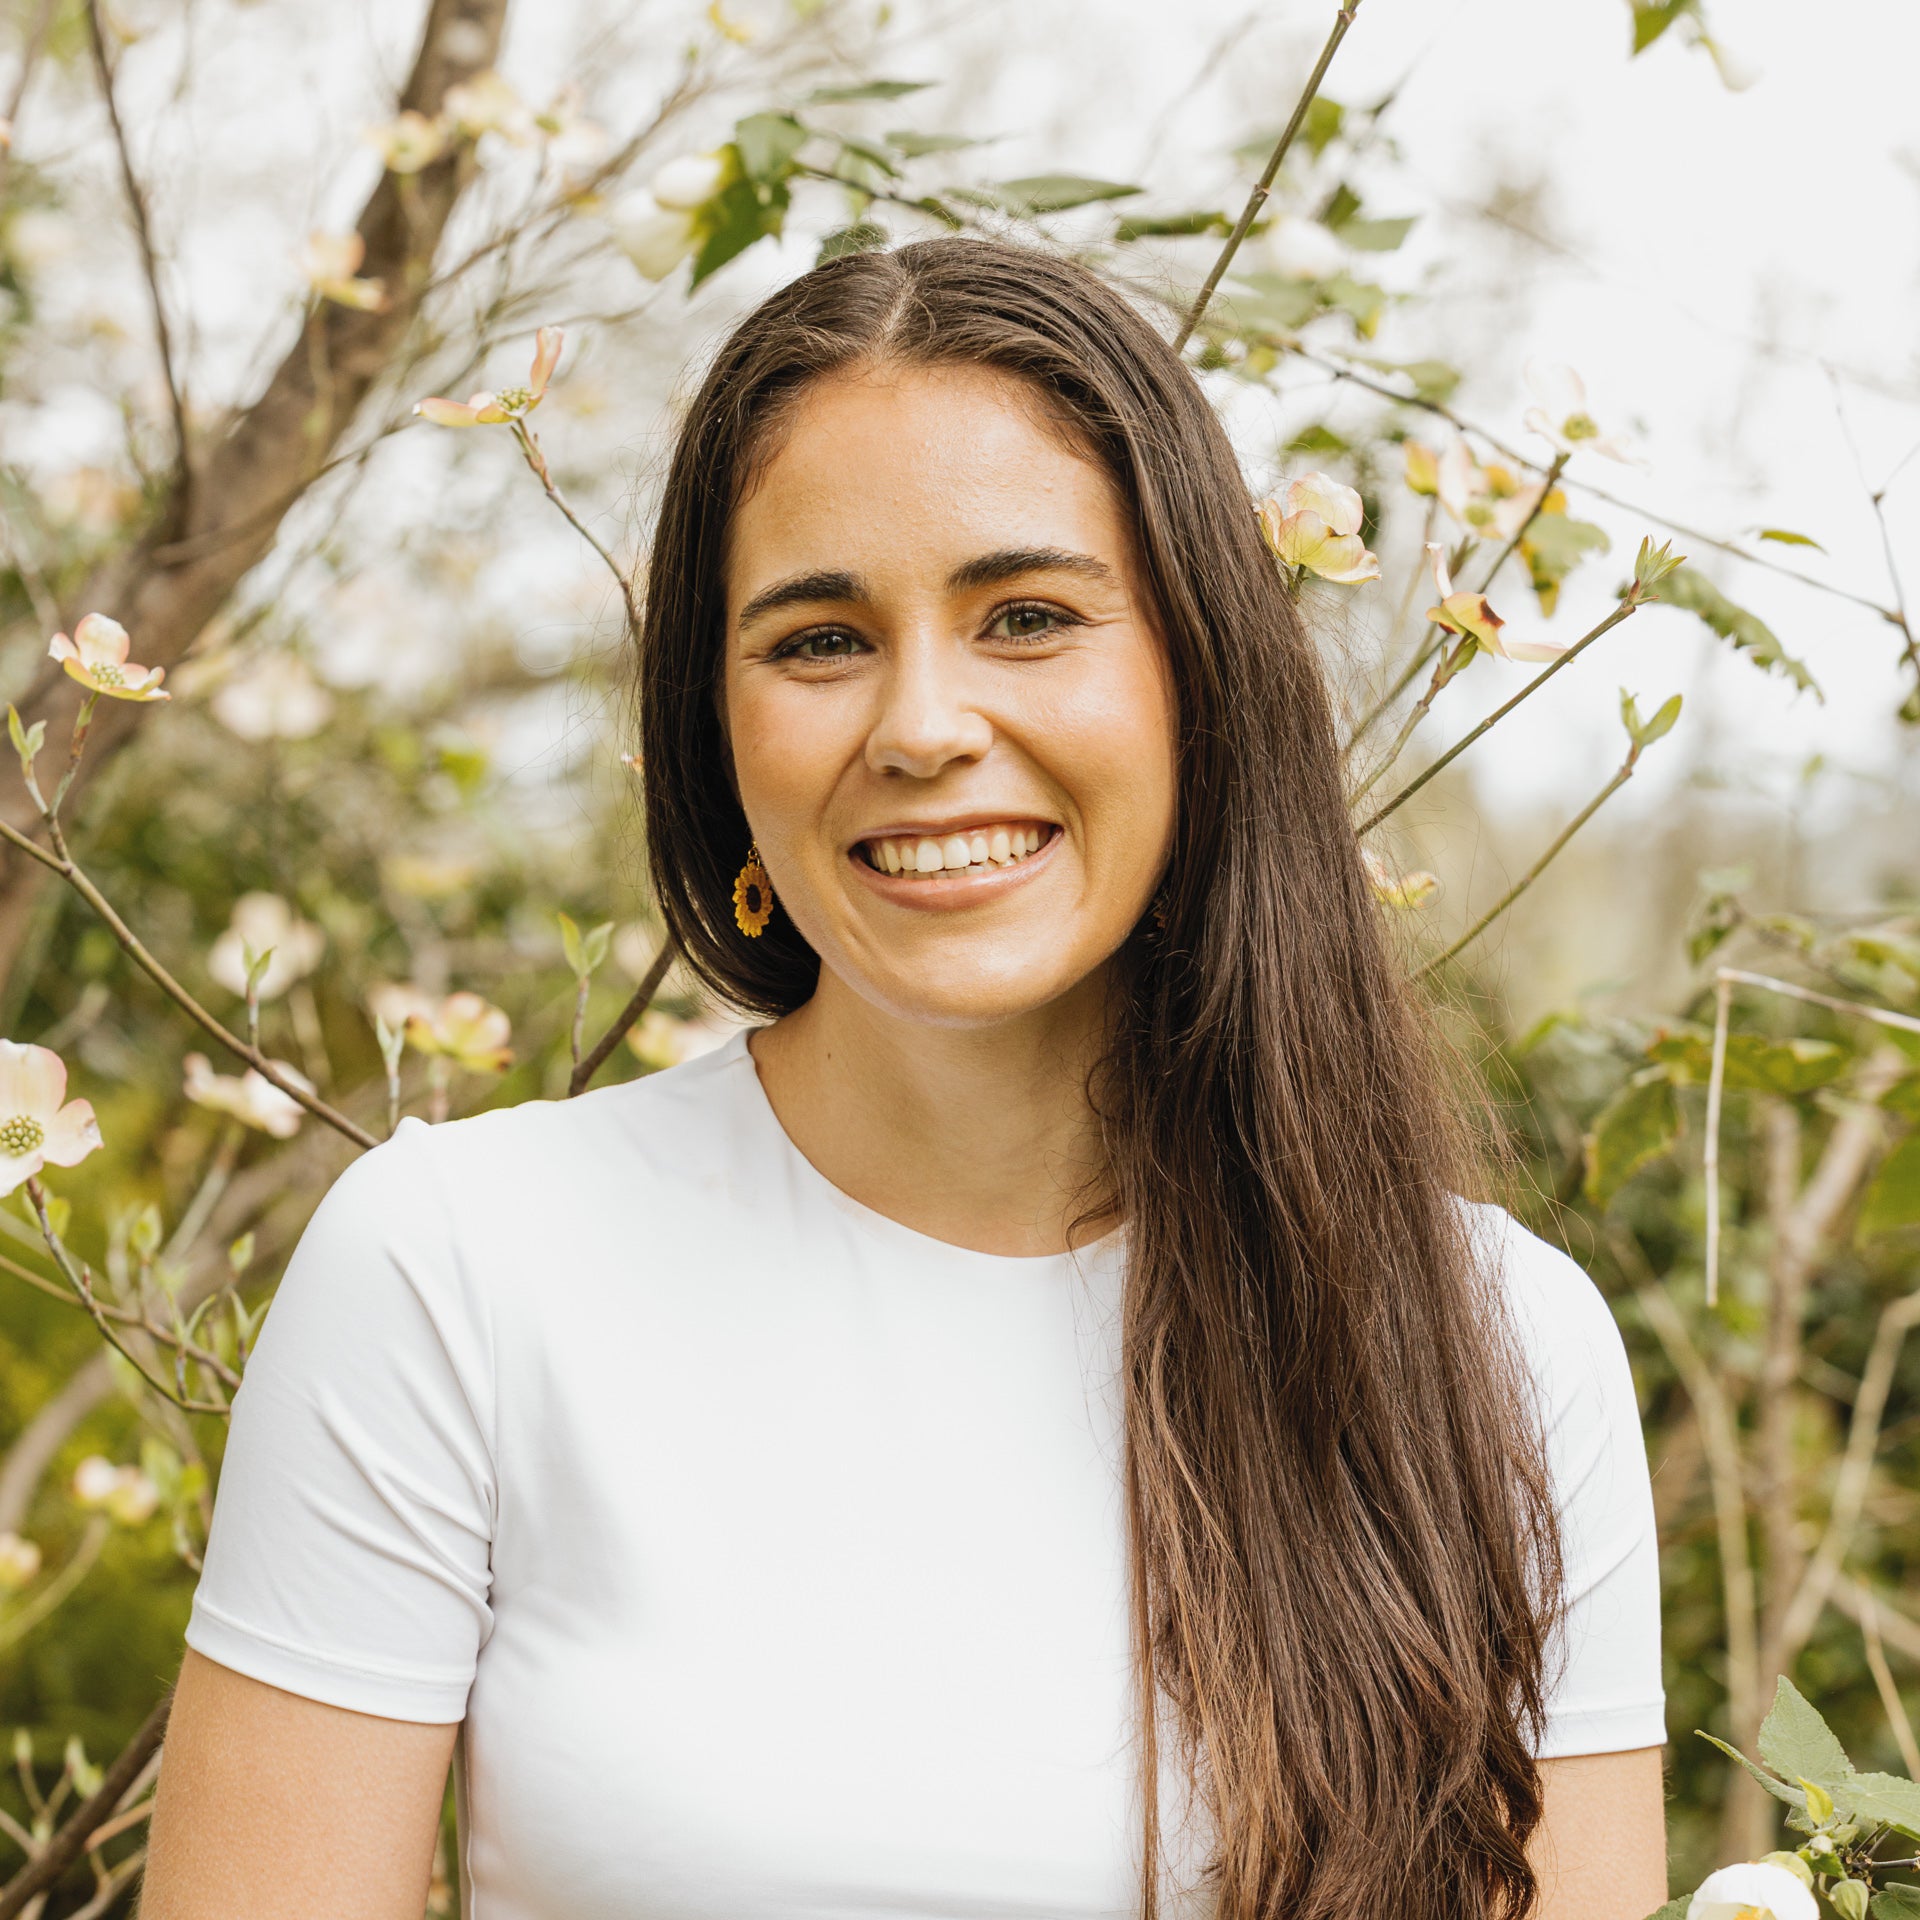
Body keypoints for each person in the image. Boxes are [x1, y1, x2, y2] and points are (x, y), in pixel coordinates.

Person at [141, 238, 1668, 1920]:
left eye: (1027, 616)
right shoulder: (457, 1266)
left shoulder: (1488, 1340)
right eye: (817, 641)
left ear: (1200, 677)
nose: (924, 724)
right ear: (715, 725)